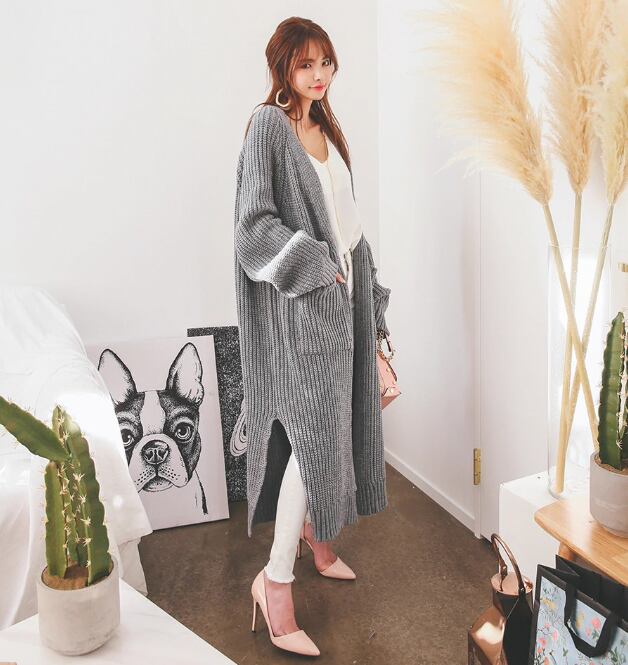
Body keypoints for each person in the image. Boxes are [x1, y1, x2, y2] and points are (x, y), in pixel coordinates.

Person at [234, 16, 392, 658]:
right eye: (305, 64)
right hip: (303, 313)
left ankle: (319, 538)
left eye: (325, 62)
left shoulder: (327, 127)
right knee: (312, 437)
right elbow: (253, 227)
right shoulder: (268, 127)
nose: (319, 74)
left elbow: (351, 229)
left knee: (344, 427)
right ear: (282, 67)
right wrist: (317, 267)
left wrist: (371, 312)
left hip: (346, 306)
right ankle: (274, 583)